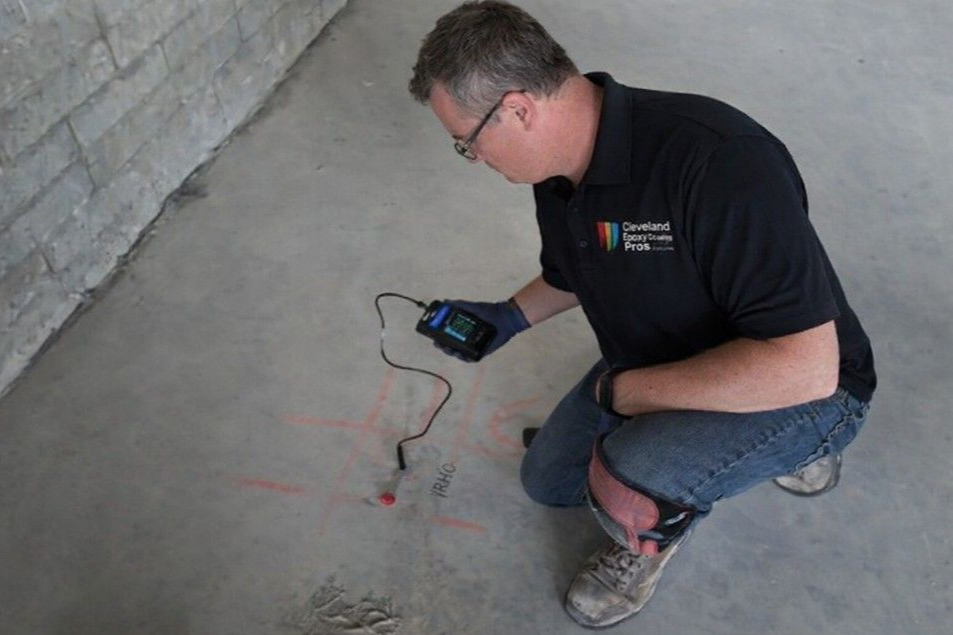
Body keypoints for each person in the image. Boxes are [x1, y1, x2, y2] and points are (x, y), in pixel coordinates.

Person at [408, 1, 876, 629]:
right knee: (548, 481)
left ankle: (772, 464)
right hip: (670, 349)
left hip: (805, 386)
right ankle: (677, 449)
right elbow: (583, 262)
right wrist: (509, 318)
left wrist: (622, 392)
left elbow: (805, 368)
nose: (476, 159)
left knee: (630, 477)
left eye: (468, 143)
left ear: (517, 109)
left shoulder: (720, 162)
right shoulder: (558, 171)